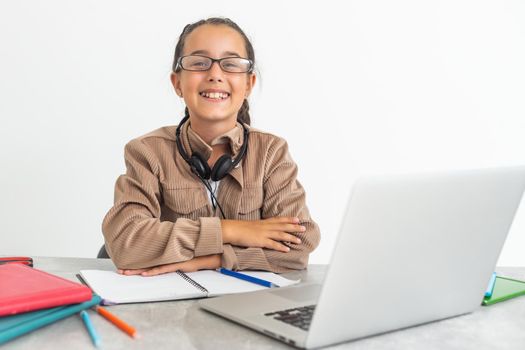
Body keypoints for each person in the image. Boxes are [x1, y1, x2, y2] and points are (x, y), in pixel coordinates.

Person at [102, 17, 320, 276]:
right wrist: (230, 230)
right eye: (199, 63)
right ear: (177, 83)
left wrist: (215, 259)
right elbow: (126, 242)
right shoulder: (146, 152)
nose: (215, 75)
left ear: (248, 84)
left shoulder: (271, 153)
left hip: (245, 303)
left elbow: (299, 247)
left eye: (230, 64)